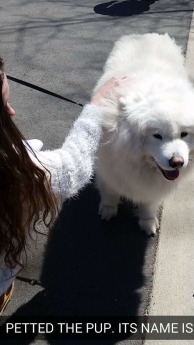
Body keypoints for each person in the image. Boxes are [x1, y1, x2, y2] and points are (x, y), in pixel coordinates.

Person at [0, 57, 124, 314]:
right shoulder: (14, 174)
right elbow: (71, 167)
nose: (11, 113)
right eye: (3, 106)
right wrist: (97, 106)